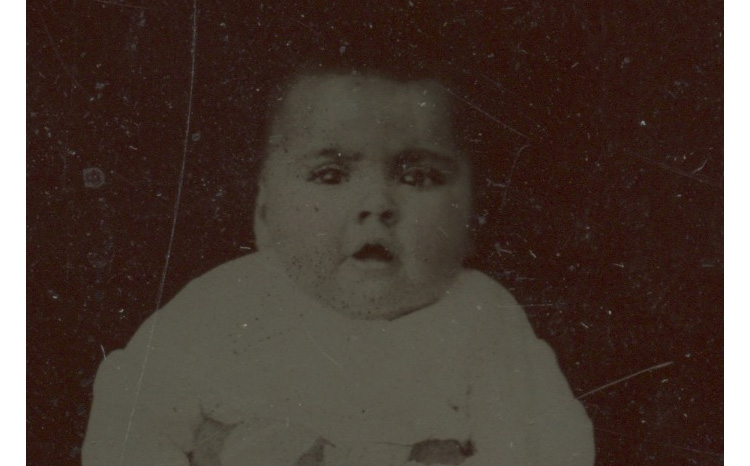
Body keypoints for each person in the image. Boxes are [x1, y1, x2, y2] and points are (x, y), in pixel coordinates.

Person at [82, 71, 595, 466]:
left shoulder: (481, 317)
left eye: (418, 177)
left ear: (472, 220)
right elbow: (130, 424)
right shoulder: (222, 305)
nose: (376, 204)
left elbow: (546, 447)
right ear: (265, 213)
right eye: (330, 175)